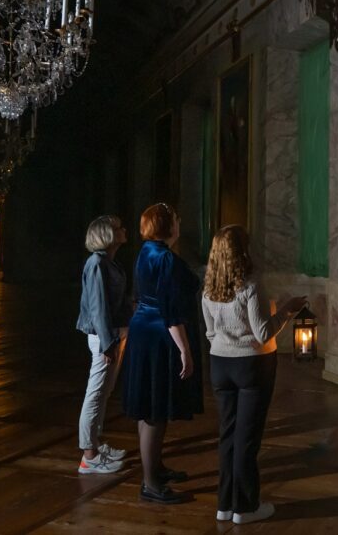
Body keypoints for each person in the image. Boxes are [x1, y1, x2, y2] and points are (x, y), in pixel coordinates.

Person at [201, 225, 306, 524]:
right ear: (242, 250)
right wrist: (286, 310)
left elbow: (210, 331)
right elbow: (262, 333)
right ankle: (245, 508)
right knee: (247, 440)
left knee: (228, 436)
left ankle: (225, 504)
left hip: (220, 364)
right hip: (251, 365)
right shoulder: (250, 284)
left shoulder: (209, 286)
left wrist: (226, 344)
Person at [121, 203, 204, 504]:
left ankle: (154, 467)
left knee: (148, 406)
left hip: (144, 331)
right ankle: (152, 483)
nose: (180, 223)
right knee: (155, 408)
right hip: (160, 335)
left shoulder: (146, 252)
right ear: (167, 226)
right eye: (176, 219)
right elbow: (171, 311)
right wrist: (185, 350)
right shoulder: (165, 258)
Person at [75, 215, 132, 474]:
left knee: (104, 391)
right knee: (95, 392)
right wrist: (107, 343)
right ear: (107, 235)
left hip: (114, 334)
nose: (123, 230)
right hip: (104, 337)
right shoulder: (97, 263)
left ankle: (95, 444)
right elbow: (98, 307)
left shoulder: (109, 262)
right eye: (118, 228)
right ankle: (88, 455)